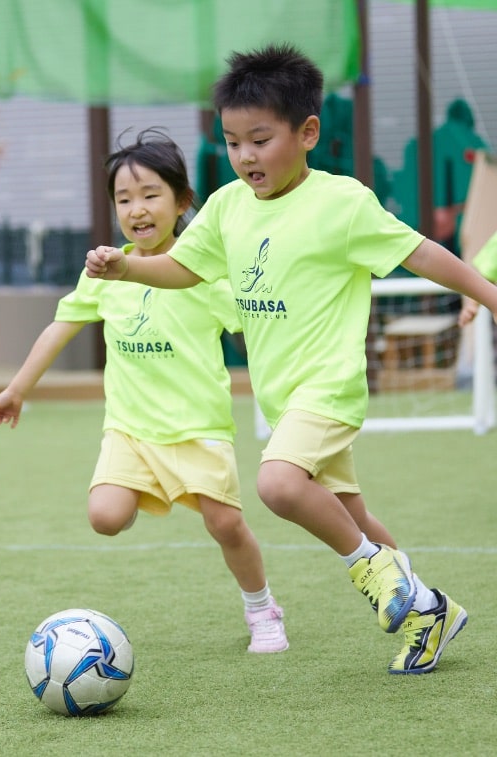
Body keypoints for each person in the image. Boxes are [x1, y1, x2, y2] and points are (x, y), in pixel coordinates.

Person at [84, 45, 497, 675]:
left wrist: (489, 295)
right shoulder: (225, 207)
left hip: (328, 389)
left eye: (260, 138)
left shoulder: (343, 202)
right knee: (353, 516)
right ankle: (426, 609)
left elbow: (421, 254)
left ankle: (393, 588)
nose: (246, 156)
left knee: (277, 483)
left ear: (307, 133)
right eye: (233, 142)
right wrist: (126, 267)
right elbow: (181, 268)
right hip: (285, 401)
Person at [0, 127, 289, 655]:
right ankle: (146, 494)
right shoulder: (103, 272)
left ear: (181, 202)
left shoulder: (204, 274)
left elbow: (259, 332)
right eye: (124, 199)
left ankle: (262, 608)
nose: (137, 209)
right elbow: (60, 327)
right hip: (129, 429)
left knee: (227, 525)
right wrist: (16, 390)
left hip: (198, 428)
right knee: (105, 518)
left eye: (150, 194)